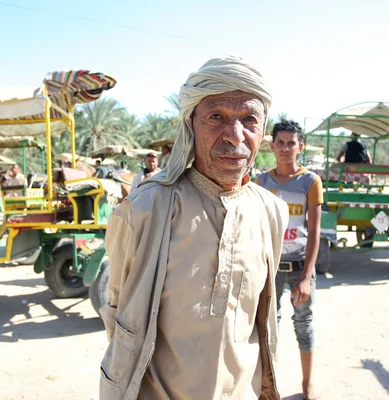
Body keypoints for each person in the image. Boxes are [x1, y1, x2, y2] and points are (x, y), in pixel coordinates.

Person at [100, 56, 288, 399]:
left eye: (249, 119)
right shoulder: (145, 210)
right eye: (216, 117)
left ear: (263, 129)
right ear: (191, 123)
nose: (234, 136)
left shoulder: (271, 212)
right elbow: (118, 311)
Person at [256, 120, 322, 400]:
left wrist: (306, 277)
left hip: (298, 266)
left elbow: (315, 232)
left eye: (290, 143)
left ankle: (307, 384)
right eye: (280, 143)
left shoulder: (310, 181)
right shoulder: (261, 182)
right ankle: (268, 386)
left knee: (303, 324)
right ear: (272, 146)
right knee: (267, 327)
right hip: (269, 269)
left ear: (300, 147)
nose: (285, 148)